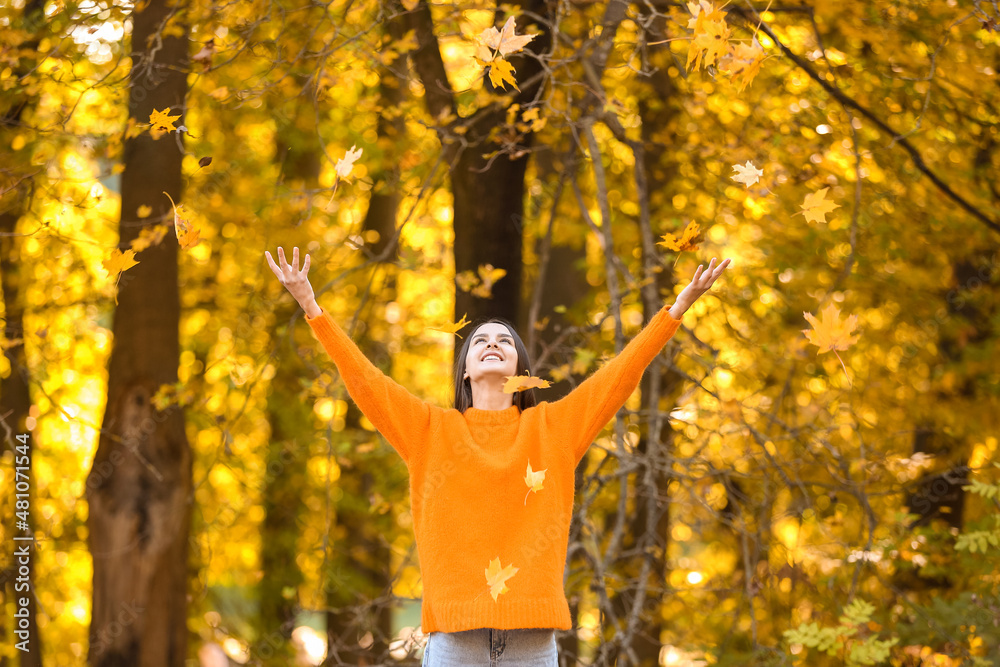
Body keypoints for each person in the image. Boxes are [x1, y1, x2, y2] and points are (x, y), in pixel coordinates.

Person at [265, 246, 731, 666]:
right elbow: (366, 382)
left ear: (520, 370)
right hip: (454, 644)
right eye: (481, 341)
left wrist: (677, 309)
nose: (493, 343)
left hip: (533, 645)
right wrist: (311, 306)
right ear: (465, 373)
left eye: (505, 341)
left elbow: (619, 377)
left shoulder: (553, 428)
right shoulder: (430, 430)